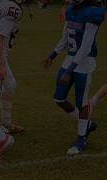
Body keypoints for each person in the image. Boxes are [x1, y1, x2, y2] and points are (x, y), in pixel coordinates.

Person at [43, 0, 105, 155]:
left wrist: (70, 70)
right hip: (70, 58)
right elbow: (65, 36)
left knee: (81, 102)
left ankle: (81, 138)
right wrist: (52, 55)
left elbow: (86, 46)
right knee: (59, 98)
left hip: (85, 62)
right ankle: (87, 124)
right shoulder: (70, 10)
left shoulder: (92, 12)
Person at [0, 0, 25, 133]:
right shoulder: (12, 8)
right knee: (6, 86)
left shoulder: (4, 5)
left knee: (9, 86)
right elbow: (0, 36)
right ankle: (1, 131)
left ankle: (5, 124)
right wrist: (1, 64)